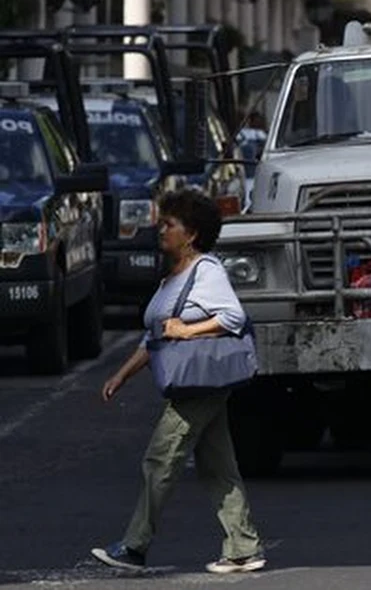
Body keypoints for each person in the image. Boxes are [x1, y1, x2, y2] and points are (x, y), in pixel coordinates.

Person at [91, 189, 266, 575]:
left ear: (192, 234)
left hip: (200, 381)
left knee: (160, 458)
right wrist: (121, 375)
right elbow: (154, 336)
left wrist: (188, 331)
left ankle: (134, 547)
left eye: (170, 224)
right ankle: (243, 547)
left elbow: (233, 318)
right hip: (197, 381)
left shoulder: (207, 270)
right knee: (218, 463)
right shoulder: (173, 276)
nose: (161, 230)